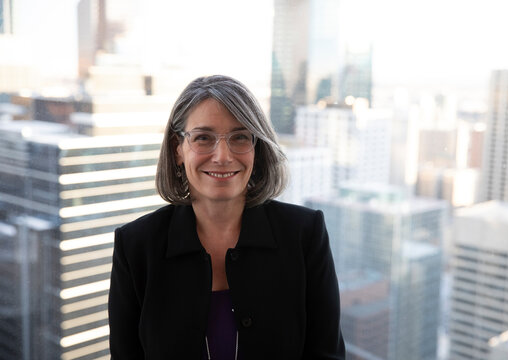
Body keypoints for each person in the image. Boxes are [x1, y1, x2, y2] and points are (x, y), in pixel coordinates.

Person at [108, 75, 345, 359]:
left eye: (240, 137)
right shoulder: (135, 246)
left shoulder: (305, 234)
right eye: (203, 138)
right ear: (177, 149)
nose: (222, 156)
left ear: (256, 147)